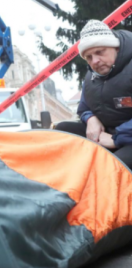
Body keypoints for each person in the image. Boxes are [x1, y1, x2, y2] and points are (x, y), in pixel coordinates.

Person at [56, 19, 132, 169]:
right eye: (89, 57)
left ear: (115, 47)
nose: (95, 61)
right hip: (107, 135)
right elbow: (84, 107)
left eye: (99, 52)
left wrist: (116, 138)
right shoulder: (91, 77)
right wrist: (90, 118)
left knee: (114, 167)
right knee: (61, 132)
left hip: (125, 138)